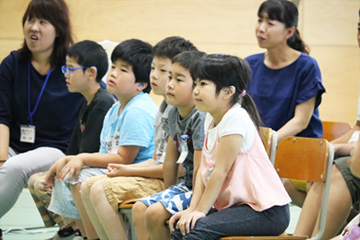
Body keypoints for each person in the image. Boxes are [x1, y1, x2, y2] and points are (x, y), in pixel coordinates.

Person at [79, 36, 198, 240]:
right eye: (153, 68)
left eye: (164, 71)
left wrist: (130, 170)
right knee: (87, 185)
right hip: (163, 177)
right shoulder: (165, 109)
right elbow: (159, 159)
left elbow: (179, 167)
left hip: (177, 182)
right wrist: (126, 169)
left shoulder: (187, 112)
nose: (155, 75)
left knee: (99, 189)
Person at [45, 39, 158, 240]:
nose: (113, 73)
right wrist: (72, 160)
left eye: (123, 70)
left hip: (141, 173)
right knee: (70, 175)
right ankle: (89, 236)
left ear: (141, 84)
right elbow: (106, 154)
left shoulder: (138, 109)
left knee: (81, 179)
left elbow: (124, 159)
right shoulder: (115, 109)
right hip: (121, 170)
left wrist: (82, 158)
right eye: (114, 66)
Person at [168, 54, 291, 239]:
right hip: (241, 207)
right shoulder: (210, 117)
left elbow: (220, 171)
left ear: (227, 92)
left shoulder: (236, 118)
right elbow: (204, 169)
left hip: (267, 212)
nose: (196, 90)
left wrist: (201, 211)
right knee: (181, 228)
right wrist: (192, 209)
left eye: (203, 84)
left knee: (196, 230)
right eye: (196, 83)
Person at [0, 0, 84, 218]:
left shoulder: (73, 67)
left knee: (15, 168)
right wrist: (1, 157)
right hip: (14, 146)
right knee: (10, 164)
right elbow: (2, 115)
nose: (33, 27)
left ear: (58, 30)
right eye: (30, 20)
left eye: (42, 21)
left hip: (55, 150)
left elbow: (100, 99)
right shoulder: (12, 63)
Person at [27, 40, 115, 240]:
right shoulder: (87, 102)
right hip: (82, 165)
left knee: (43, 183)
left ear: (91, 73)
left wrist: (61, 168)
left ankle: (84, 231)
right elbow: (73, 150)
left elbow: (88, 154)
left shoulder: (103, 103)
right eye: (65, 68)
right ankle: (69, 230)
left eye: (71, 69)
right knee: (36, 181)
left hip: (94, 170)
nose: (65, 74)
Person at [245, 0, 326, 206]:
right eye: (259, 20)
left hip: (297, 150)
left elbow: (300, 121)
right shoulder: (249, 64)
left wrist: (265, 143)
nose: (261, 28)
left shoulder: (306, 66)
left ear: (289, 32)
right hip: (259, 149)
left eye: (270, 23)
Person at [294, 10, 360, 239]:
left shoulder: (307, 67)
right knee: (313, 168)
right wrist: (326, 149)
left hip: (352, 159)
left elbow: (299, 121)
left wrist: (337, 149)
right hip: (353, 152)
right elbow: (358, 128)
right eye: (359, 28)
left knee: (335, 172)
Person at [132, 51, 206, 240]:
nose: (170, 84)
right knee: (140, 208)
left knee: (155, 213)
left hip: (203, 189)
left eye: (179, 80)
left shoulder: (200, 116)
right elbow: (170, 159)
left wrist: (193, 206)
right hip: (187, 186)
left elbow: (200, 168)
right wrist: (167, 192)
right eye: (170, 77)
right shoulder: (173, 111)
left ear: (197, 87)